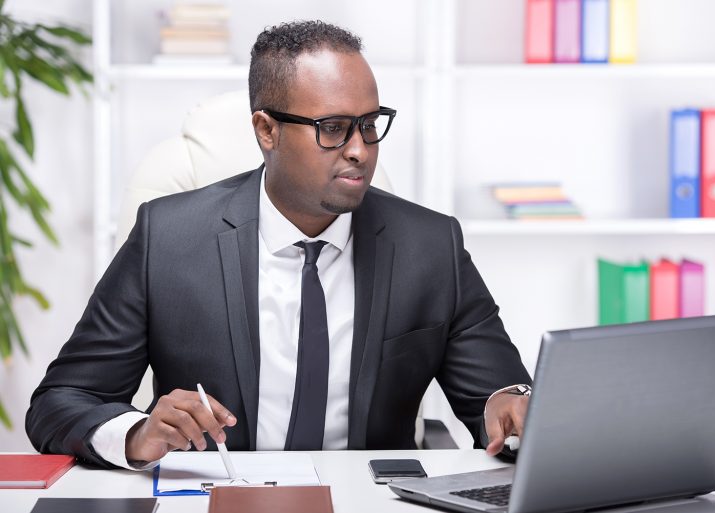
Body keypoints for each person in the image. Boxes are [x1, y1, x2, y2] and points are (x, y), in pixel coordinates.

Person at [26, 20, 531, 470]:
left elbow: (501, 393)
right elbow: (62, 401)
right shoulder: (169, 237)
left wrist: (506, 405)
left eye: (370, 125)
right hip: (216, 494)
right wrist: (137, 433)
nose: (359, 150)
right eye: (333, 129)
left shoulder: (430, 245)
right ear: (266, 130)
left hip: (370, 502)